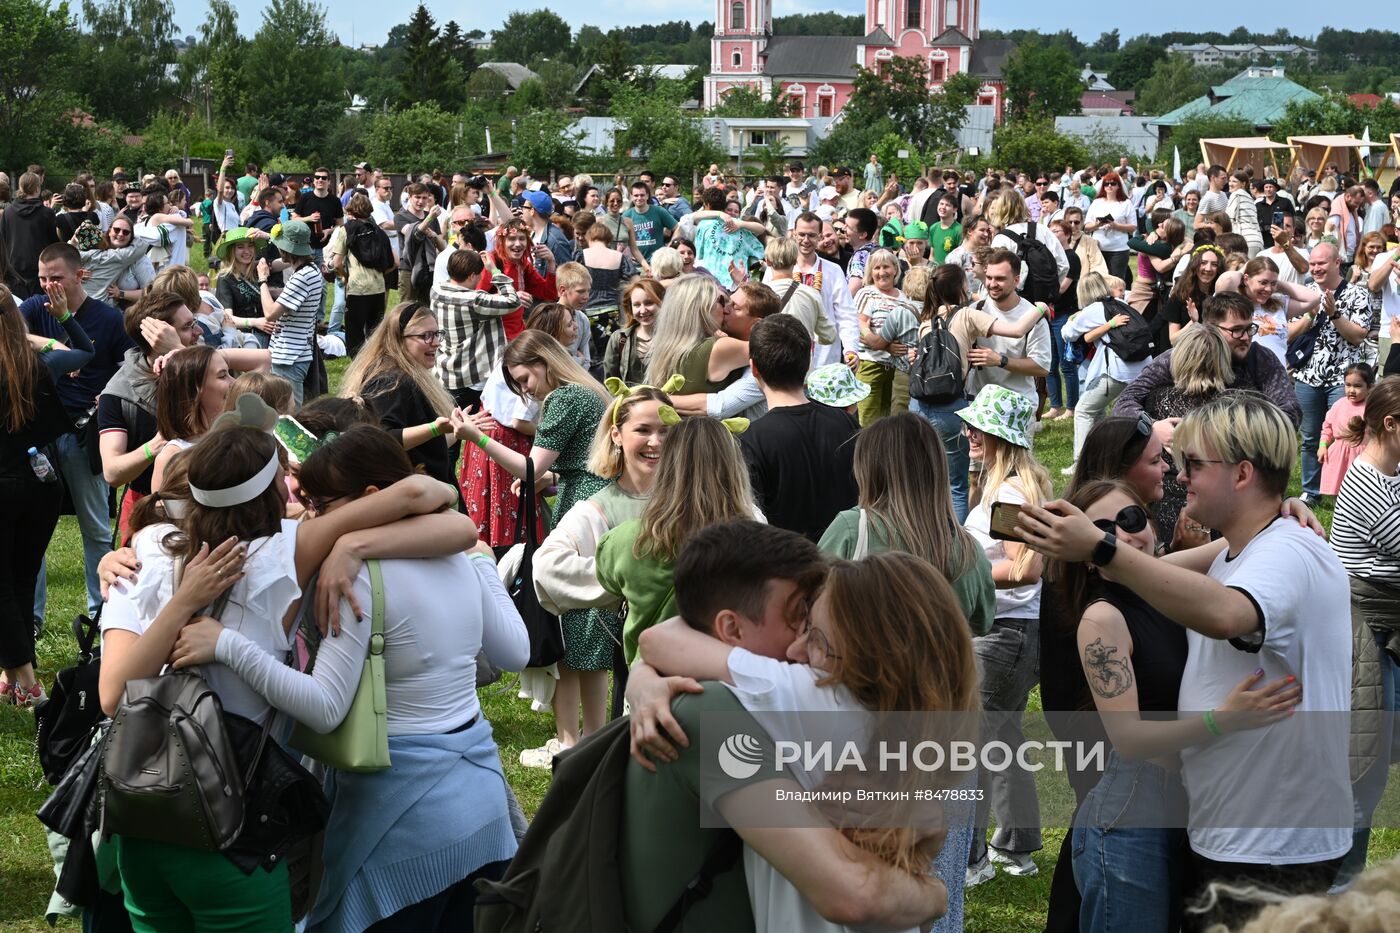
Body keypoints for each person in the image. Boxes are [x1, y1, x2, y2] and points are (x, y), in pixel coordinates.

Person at [99, 402, 480, 933]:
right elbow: (434, 499)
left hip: (139, 820)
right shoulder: (285, 553)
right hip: (230, 832)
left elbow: (115, 696)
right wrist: (352, 544)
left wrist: (177, 599)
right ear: (275, 491)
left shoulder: (144, 550)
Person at [619, 522, 948, 933]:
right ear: (732, 629)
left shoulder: (800, 695)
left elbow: (656, 638)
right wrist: (934, 893)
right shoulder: (903, 714)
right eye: (799, 618)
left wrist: (643, 677)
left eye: (815, 634)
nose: (797, 647)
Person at [1048, 478, 1301, 933]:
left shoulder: (1163, 577)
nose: (1122, 536)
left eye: (1129, 519)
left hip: (1188, 806)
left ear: (1148, 520)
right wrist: (1221, 721)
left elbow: (1242, 535)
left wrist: (1287, 507)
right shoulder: (1102, 619)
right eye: (1102, 531)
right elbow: (1129, 740)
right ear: (1085, 552)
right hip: (1132, 814)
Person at [468, 330, 612, 761]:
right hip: (589, 498)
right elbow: (573, 462)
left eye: (525, 379)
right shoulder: (589, 392)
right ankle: (589, 736)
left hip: (580, 512)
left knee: (572, 624)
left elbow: (532, 467)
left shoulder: (566, 398)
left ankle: (574, 741)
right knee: (586, 624)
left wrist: (475, 438)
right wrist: (553, 479)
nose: (525, 391)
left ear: (544, 363)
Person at [957, 384, 1051, 885]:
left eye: (980, 428)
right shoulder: (1010, 486)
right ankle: (1015, 848)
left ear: (1002, 437)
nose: (969, 432)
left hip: (1001, 635)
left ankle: (969, 860)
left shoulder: (1011, 493)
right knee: (1004, 741)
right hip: (1014, 633)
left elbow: (1024, 570)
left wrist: (954, 573)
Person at [597, 414, 759, 664]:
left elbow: (607, 581)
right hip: (728, 676)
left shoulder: (625, 540)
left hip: (652, 679)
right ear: (734, 468)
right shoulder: (759, 543)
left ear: (667, 467)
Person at [819, 411, 994, 635]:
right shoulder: (969, 551)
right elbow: (982, 622)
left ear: (868, 469)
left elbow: (809, 600)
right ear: (938, 468)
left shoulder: (852, 528)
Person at [0, 282, 93, 704]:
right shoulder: (41, 362)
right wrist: (62, 320)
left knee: (4, 583)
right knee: (21, 576)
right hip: (41, 484)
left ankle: (25, 677)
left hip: (4, 487)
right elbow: (85, 352)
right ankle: (15, 676)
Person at [1329, 375, 1400, 890]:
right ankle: (1336, 891)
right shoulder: (1368, 484)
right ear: (1391, 425)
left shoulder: (1392, 474)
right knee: (1361, 769)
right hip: (1366, 638)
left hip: (1387, 630)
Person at [740, 314, 860, 541]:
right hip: (847, 564)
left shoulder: (752, 440)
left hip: (787, 566)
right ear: (808, 362)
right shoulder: (846, 422)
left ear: (754, 368)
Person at [1113, 291, 1303, 430]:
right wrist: (1153, 428)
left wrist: (1241, 432)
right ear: (1210, 328)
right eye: (1236, 330)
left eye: (1249, 328)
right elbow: (1125, 402)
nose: (1246, 337)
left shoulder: (1261, 358)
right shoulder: (1177, 357)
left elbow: (1290, 411)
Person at [340, 301, 467, 490]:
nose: (437, 342)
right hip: (410, 496)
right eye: (426, 336)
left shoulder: (405, 375)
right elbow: (382, 438)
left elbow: (424, 446)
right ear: (399, 339)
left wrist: (457, 429)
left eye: (437, 334)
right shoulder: (391, 381)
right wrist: (434, 428)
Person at [1295, 241, 1374, 506]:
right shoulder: (1304, 293)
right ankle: (1311, 492)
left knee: (1349, 436)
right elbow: (1289, 333)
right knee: (1309, 437)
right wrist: (1309, 316)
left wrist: (1334, 314)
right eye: (1313, 263)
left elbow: (1358, 336)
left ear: (1337, 262)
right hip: (1307, 376)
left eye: (1321, 263)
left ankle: (1351, 491)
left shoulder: (1356, 294)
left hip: (1344, 380)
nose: (1316, 268)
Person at [1062, 273, 1153, 472]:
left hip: (1118, 371)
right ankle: (1105, 456)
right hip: (1142, 366)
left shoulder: (1093, 309)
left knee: (1084, 410)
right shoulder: (1120, 304)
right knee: (1099, 410)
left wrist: (1076, 318)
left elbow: (1067, 333)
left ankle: (1081, 464)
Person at [430, 247, 520, 412]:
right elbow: (512, 301)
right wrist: (494, 270)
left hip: (445, 372)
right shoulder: (474, 300)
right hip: (471, 377)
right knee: (471, 425)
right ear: (472, 275)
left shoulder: (437, 290)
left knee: (450, 427)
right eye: (479, 275)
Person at [962, 248, 1052, 403]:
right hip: (979, 402)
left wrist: (1000, 360)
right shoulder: (975, 310)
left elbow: (1041, 367)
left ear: (1016, 280)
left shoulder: (1032, 317)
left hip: (1017, 404)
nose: (992, 284)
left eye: (1000, 278)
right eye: (989, 277)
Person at [149, 345, 235, 493]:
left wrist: (180, 348)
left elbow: (264, 360)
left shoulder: (234, 433)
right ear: (194, 390)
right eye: (222, 376)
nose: (234, 381)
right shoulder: (172, 456)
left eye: (229, 373)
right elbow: (160, 513)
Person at [256, 219, 323, 405]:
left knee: (290, 412)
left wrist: (263, 280)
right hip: (295, 352)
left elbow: (270, 313)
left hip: (289, 356)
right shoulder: (310, 270)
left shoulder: (302, 277)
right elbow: (292, 297)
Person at [645, 274, 748, 394]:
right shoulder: (719, 347)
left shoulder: (666, 350)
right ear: (703, 309)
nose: (726, 309)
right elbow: (771, 348)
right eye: (720, 301)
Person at [326, 192, 388, 357]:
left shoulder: (346, 230)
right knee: (375, 333)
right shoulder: (379, 231)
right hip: (378, 288)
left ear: (350, 211)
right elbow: (393, 262)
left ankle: (358, 367)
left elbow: (337, 262)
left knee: (354, 335)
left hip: (357, 288)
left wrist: (343, 277)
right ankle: (375, 361)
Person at [1317, 362, 1373, 497]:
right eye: (1348, 385)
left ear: (1369, 387)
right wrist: (1323, 445)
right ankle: (1340, 515)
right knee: (1340, 492)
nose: (1351, 390)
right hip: (1339, 456)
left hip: (1362, 456)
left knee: (1360, 492)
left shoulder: (1371, 408)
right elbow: (1327, 427)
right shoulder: (1339, 405)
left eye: (1358, 386)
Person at [1, 172, 59, 298]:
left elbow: (3, 242)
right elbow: (54, 245)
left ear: (20, 187)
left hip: (14, 271)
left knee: (18, 314)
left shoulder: (8, 212)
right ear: (38, 188)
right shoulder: (46, 213)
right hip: (41, 272)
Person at [603, 279, 662, 386]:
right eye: (637, 305)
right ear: (630, 308)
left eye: (649, 303)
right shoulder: (619, 339)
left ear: (662, 303)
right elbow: (611, 383)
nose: (643, 310)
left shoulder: (674, 338)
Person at [1085, 170, 1136, 282]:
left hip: (1119, 249)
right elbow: (1086, 226)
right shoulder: (1096, 202)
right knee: (1098, 281)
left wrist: (1116, 226)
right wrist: (1097, 224)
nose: (1109, 186)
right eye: (1106, 183)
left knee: (1116, 281)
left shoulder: (1126, 203)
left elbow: (1133, 227)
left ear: (1118, 186)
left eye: (1113, 183)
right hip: (1098, 247)